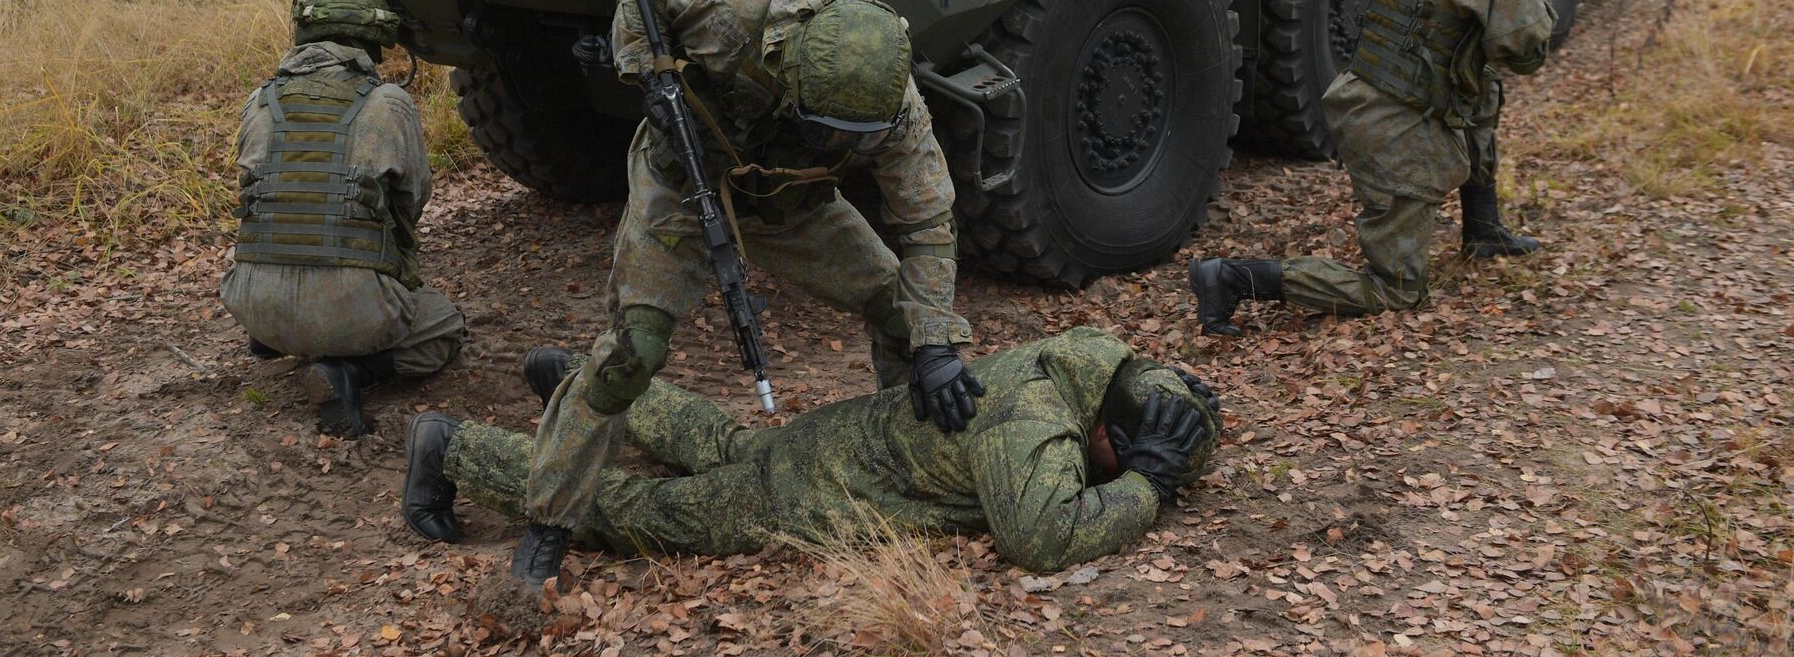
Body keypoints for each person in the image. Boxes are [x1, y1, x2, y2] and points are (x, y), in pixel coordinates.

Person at [513, 0, 979, 588]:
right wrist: (646, 78)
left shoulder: (893, 99)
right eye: (822, 126)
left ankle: (899, 466)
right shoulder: (728, 3)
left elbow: (927, 222)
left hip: (793, 209)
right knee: (633, 351)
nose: (833, 141)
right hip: (682, 188)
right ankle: (548, 523)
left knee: (906, 317)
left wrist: (936, 345)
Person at [403, 328, 1218, 575]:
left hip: (827, 446)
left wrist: (1158, 452)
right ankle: (455, 450)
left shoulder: (1090, 363)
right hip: (808, 492)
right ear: (1106, 432)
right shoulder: (1033, 420)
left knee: (729, 446)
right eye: (1121, 455)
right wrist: (1147, 487)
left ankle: (588, 380)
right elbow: (1041, 537)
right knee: (646, 513)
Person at [1191, 0, 1570, 332]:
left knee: (1481, 87)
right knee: (1395, 291)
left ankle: (1483, 230)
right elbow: (1526, 53)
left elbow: (1475, 50)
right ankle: (1234, 278)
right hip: (1396, 131)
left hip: (1367, 96)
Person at [219, 0, 465, 435]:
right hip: (354, 309)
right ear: (374, 42)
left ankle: (276, 336)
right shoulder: (388, 103)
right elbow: (414, 199)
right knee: (445, 327)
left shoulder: (259, 100)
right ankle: (348, 374)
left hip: (251, 302)